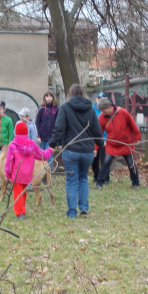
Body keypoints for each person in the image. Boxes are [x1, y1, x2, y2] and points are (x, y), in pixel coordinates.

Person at [49, 84, 104, 218]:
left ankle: (72, 212)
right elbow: (97, 130)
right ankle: (84, 207)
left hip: (71, 149)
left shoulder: (65, 107)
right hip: (87, 151)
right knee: (83, 178)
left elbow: (59, 128)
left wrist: (53, 144)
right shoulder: (90, 109)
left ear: (70, 94)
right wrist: (101, 143)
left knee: (71, 180)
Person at [5, 121, 53, 220]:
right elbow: (42, 155)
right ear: (27, 132)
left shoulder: (13, 145)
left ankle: (20, 213)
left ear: (15, 132)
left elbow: (9, 161)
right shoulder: (32, 145)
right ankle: (22, 210)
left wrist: (7, 174)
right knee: (23, 193)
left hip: (17, 175)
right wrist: (50, 151)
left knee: (17, 194)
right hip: (27, 175)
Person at [95, 97, 141, 189]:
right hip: (112, 145)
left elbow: (133, 125)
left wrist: (137, 138)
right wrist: (96, 148)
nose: (102, 112)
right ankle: (99, 183)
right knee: (105, 163)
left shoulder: (123, 112)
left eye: (103, 110)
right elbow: (98, 134)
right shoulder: (101, 117)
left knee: (131, 164)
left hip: (126, 144)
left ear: (109, 107)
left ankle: (136, 183)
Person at [91, 92, 109, 184]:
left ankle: (106, 178)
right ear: (96, 99)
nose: (99, 100)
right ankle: (96, 176)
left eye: (101, 98)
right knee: (94, 159)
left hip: (104, 138)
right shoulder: (91, 110)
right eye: (98, 98)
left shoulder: (106, 111)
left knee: (104, 159)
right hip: (93, 138)